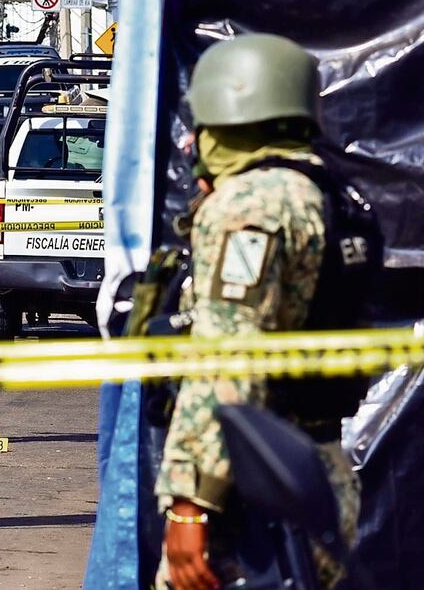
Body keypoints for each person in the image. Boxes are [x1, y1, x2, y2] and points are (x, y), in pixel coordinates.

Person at [155, 34, 361, 589]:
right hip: (320, 471)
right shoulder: (329, 191)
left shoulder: (249, 204)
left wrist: (191, 503)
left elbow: (227, 360)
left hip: (250, 489)